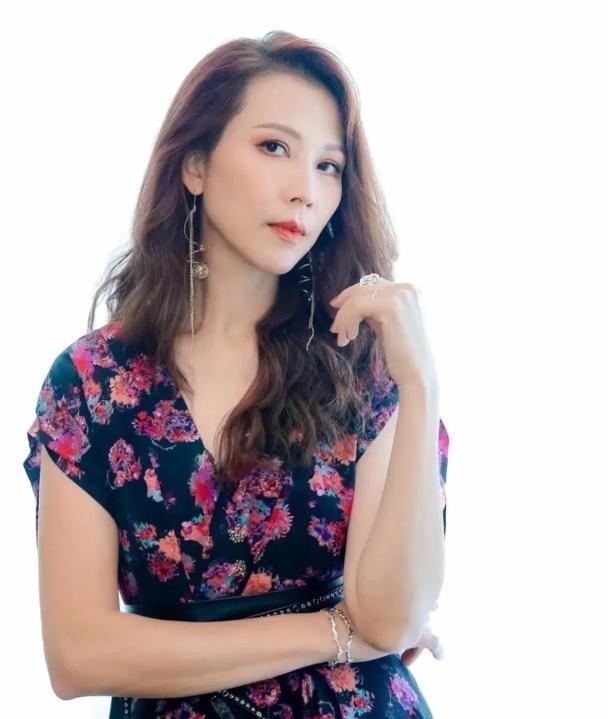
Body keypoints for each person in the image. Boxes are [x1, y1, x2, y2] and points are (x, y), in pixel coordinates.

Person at [23, 30, 449, 718]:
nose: (304, 190)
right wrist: (334, 632)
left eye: (329, 166)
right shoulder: (94, 381)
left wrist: (421, 384)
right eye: (274, 147)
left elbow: (393, 616)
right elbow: (77, 655)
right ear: (195, 163)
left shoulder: (365, 367)